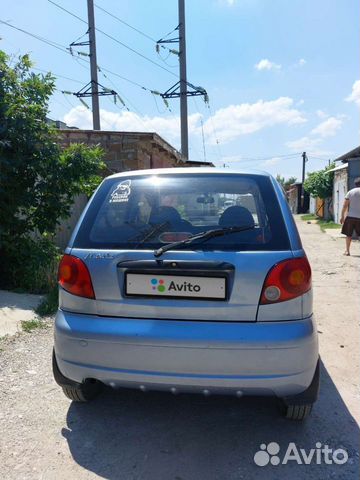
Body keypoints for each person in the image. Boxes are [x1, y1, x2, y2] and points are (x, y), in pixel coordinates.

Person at [340, 177, 360, 256]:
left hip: (351, 217)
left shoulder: (350, 192)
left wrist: (342, 216)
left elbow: (345, 206)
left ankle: (347, 251)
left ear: (355, 184)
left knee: (348, 235)